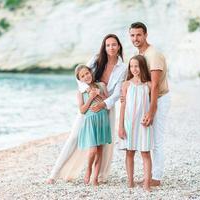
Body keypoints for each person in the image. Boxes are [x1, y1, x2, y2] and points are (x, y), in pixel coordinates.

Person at [47, 34, 126, 184]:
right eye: (108, 45)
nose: (111, 48)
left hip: (106, 106)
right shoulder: (97, 59)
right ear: (104, 46)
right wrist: (88, 91)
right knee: (75, 137)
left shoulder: (123, 67)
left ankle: (99, 176)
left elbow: (117, 92)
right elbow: (80, 76)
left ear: (119, 46)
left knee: (104, 143)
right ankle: (54, 174)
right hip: (88, 104)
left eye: (114, 44)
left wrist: (104, 103)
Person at [129, 22, 170, 186]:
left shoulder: (154, 55)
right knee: (148, 138)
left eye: (139, 35)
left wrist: (151, 112)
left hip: (159, 99)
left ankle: (156, 177)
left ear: (145, 35)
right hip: (148, 100)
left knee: (157, 140)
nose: (135, 38)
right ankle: (150, 176)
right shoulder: (139, 54)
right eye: (132, 35)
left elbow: (154, 85)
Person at [118, 55, 153, 192]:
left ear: (142, 67)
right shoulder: (126, 84)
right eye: (131, 66)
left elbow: (153, 104)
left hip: (143, 123)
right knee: (130, 152)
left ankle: (147, 183)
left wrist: (151, 117)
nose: (134, 69)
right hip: (129, 123)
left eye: (137, 66)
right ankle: (130, 181)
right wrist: (120, 126)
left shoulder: (149, 85)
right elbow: (123, 106)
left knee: (145, 153)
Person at [75, 64, 112, 186]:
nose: (86, 76)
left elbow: (108, 102)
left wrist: (99, 94)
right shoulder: (80, 93)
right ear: (80, 79)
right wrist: (91, 97)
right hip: (90, 122)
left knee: (100, 150)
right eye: (82, 76)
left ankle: (95, 177)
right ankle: (88, 169)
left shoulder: (101, 85)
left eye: (87, 73)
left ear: (91, 72)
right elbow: (82, 110)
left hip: (102, 120)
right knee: (93, 150)